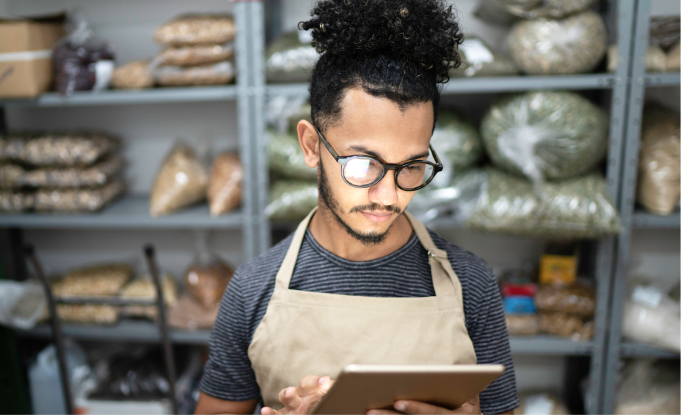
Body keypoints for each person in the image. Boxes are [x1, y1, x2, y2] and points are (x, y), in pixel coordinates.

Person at [195, 1, 518, 415]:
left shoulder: (471, 285)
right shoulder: (252, 290)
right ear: (312, 146)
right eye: (364, 164)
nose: (388, 195)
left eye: (412, 166)